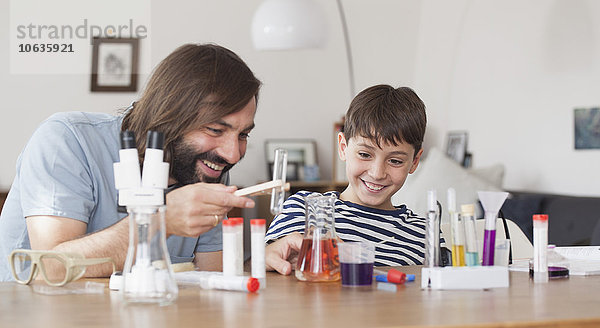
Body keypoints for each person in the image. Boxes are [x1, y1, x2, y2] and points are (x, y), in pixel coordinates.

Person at [0, 43, 261, 281]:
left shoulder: (206, 168)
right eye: (215, 130)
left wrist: (262, 261)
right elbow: (51, 267)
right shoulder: (67, 140)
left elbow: (213, 282)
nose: (232, 155)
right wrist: (160, 221)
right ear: (170, 118)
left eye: (243, 135)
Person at [265, 84, 433, 275]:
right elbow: (266, 264)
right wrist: (265, 256)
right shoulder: (303, 208)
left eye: (395, 161)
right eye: (364, 154)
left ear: (414, 161)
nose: (377, 173)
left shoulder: (424, 233)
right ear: (343, 147)